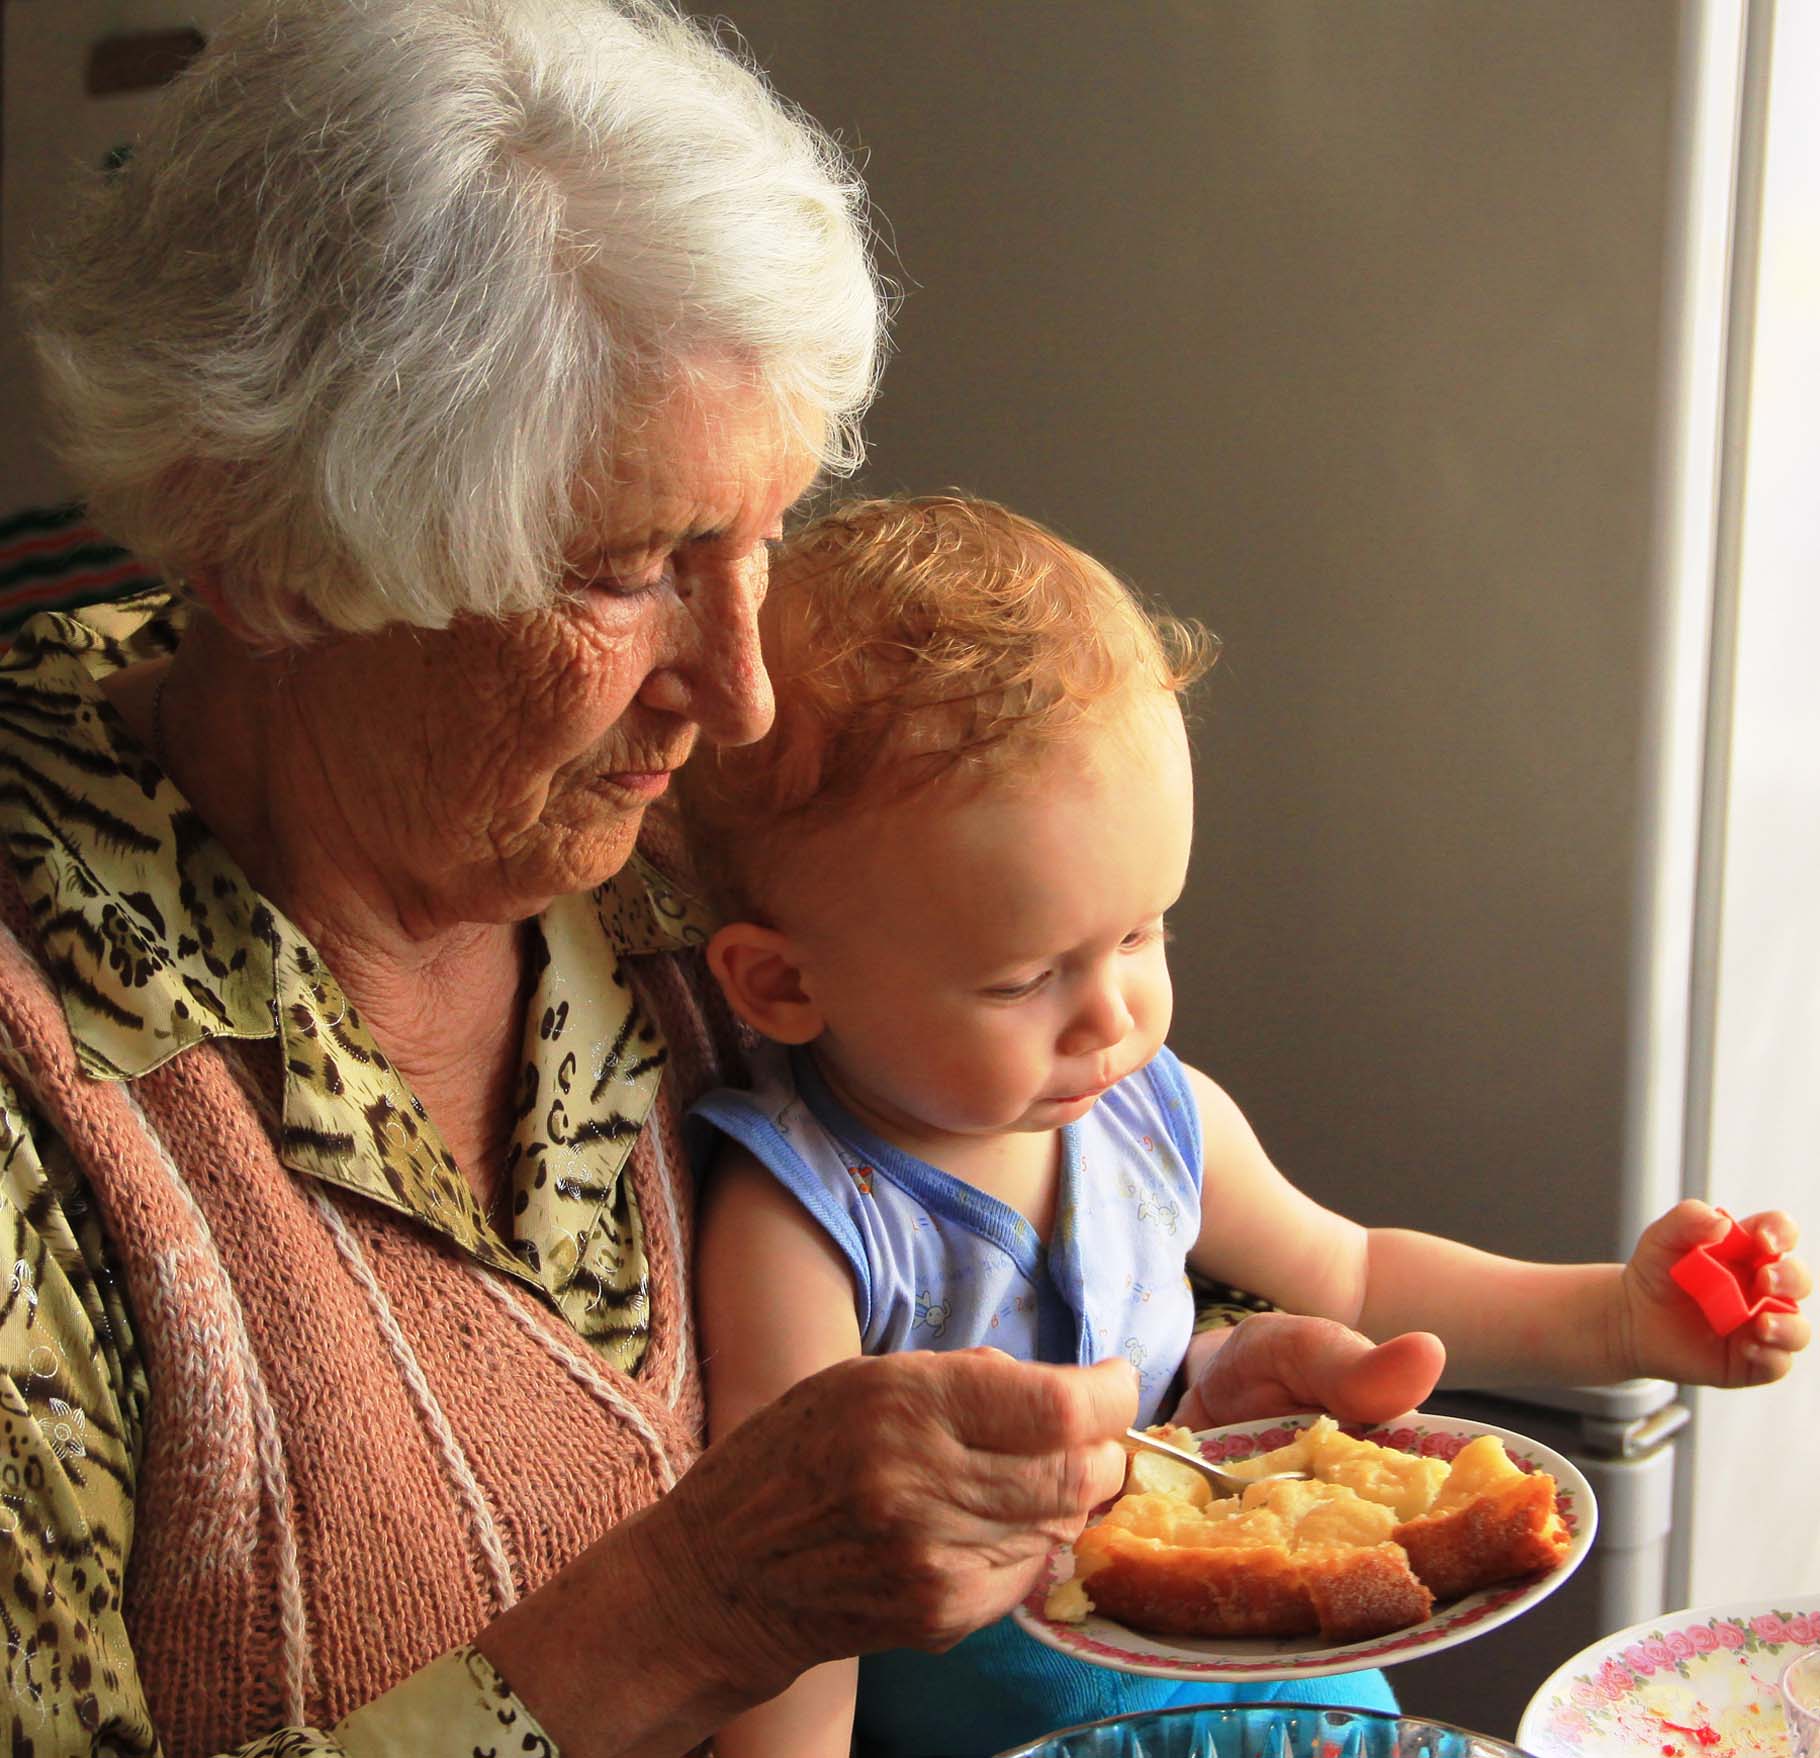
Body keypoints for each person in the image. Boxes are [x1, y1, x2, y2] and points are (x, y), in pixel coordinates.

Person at [0, 4, 1444, 1754]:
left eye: (756, 536)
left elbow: (954, 1179)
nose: (746, 689)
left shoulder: (671, 819)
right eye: (628, 571)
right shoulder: (52, 1085)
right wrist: (696, 1607)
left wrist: (1191, 1382)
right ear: (271, 556)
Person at [678, 494, 1814, 1758]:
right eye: (1020, 980)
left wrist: (1618, 1320)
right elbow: (797, 1595)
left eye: (1140, 932)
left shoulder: (1151, 1117)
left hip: (1291, 1699)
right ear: (782, 984)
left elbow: (1360, 1272)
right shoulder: (802, 1222)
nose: (1109, 1015)